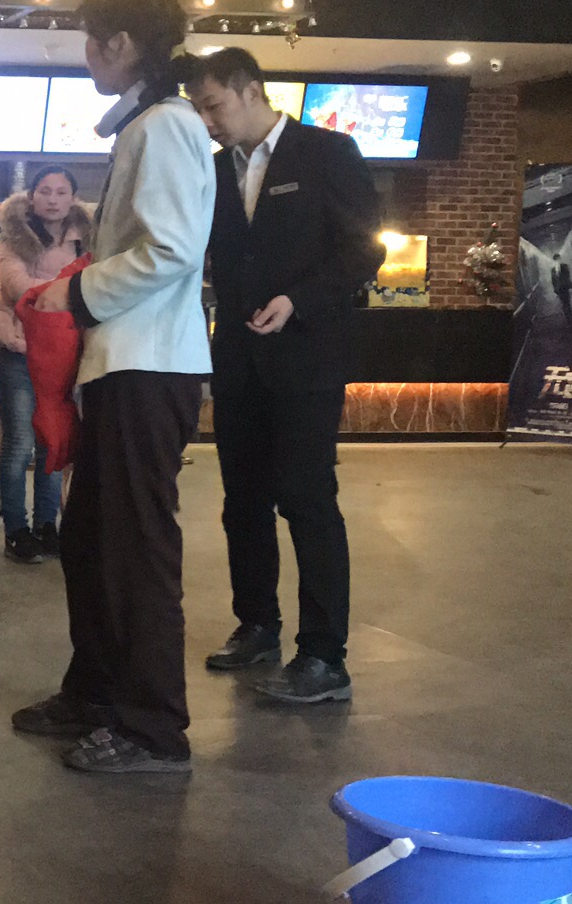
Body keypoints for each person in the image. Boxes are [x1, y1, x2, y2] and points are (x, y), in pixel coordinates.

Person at [10, 0, 215, 774]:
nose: (87, 56)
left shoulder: (166, 125)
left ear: (120, 43)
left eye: (91, 41)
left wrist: (77, 291)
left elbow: (172, 249)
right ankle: (94, 692)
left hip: (149, 365)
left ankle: (153, 726)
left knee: (135, 546)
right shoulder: (149, 122)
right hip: (125, 362)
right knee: (91, 538)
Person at [187, 48, 384, 705]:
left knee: (306, 497)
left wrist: (298, 299)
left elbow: (365, 249)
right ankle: (257, 625)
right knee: (241, 499)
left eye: (214, 105)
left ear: (251, 91)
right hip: (237, 358)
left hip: (307, 356)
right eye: (200, 109)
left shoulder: (326, 153)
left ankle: (325, 656)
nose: (208, 121)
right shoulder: (215, 169)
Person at [0, 167, 91, 564]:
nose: (53, 199)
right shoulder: (15, 234)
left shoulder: (88, 237)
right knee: (19, 446)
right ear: (32, 197)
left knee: (54, 441)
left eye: (61, 192)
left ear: (73, 198)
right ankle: (16, 531)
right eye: (45, 191)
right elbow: (16, 287)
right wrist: (70, 293)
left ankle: (48, 527)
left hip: (66, 352)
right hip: (21, 346)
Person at [551, 257, 572, 323]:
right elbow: (553, 280)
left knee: (567, 302)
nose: (557, 261)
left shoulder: (564, 266)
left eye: (558, 259)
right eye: (556, 260)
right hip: (560, 289)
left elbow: (568, 276)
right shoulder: (553, 269)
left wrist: (570, 286)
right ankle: (568, 318)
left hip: (565, 287)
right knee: (565, 303)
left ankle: (569, 318)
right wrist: (555, 289)